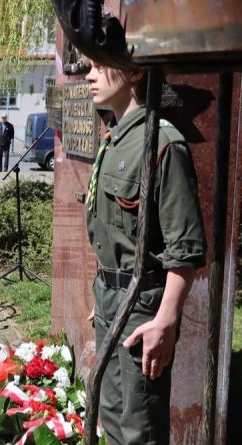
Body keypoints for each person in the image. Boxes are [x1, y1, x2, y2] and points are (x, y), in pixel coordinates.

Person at [84, 61, 206, 445]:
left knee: (141, 430)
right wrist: (105, 291)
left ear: (135, 73)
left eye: (100, 66)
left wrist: (166, 321)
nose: (89, 76)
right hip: (110, 299)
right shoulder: (115, 135)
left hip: (141, 308)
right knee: (112, 418)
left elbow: (184, 249)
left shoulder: (163, 142)